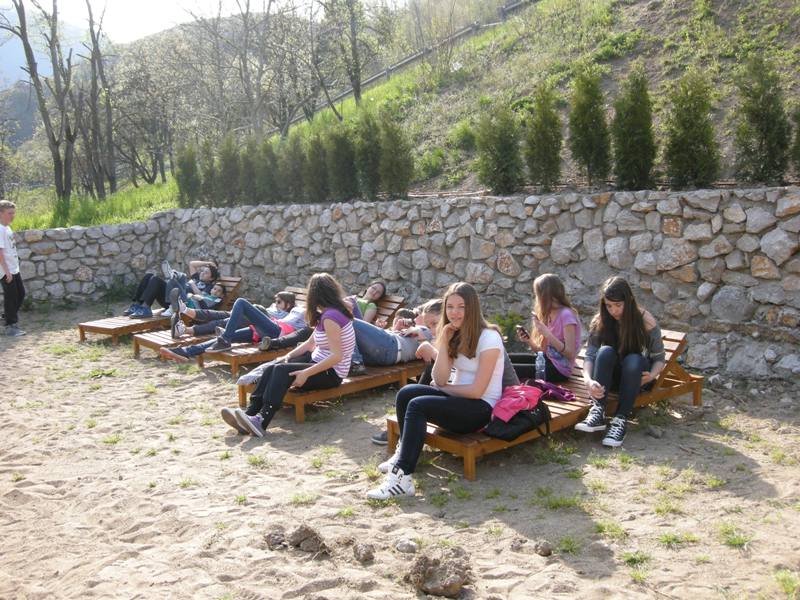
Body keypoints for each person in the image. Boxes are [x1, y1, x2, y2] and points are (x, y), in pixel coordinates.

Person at [366, 282, 505, 499]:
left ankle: (402, 478)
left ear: (472, 308)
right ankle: (403, 454)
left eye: (461, 307)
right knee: (407, 393)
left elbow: (477, 391)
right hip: (459, 399)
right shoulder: (454, 334)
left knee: (418, 405)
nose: (455, 312)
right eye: (450, 307)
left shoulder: (489, 337)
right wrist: (445, 341)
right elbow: (438, 378)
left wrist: (445, 388)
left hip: (481, 409)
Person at [220, 273, 356, 437]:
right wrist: (287, 357)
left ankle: (262, 420)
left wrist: (306, 373)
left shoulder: (331, 317)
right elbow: (310, 344)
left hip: (332, 373)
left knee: (280, 371)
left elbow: (337, 356)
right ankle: (250, 414)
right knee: (273, 367)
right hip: (318, 364)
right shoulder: (328, 314)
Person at [574, 276, 665, 448]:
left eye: (618, 305)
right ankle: (598, 411)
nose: (613, 311)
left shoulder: (646, 321)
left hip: (636, 377)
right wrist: (588, 380)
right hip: (612, 379)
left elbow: (659, 359)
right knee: (605, 352)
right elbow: (590, 355)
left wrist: (652, 375)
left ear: (629, 301)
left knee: (633, 359)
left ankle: (620, 420)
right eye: (609, 306)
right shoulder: (600, 320)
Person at [162, 293, 307, 359]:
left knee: (241, 302)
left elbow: (304, 331)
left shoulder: (308, 313)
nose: (276, 303)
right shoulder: (296, 309)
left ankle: (224, 339)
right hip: (261, 330)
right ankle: (185, 351)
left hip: (277, 333)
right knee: (221, 336)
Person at [509, 273, 581, 382]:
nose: (536, 298)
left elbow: (570, 353)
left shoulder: (566, 315)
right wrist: (529, 341)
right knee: (505, 359)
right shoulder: (548, 313)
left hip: (560, 370)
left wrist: (548, 334)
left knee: (508, 369)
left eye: (537, 294)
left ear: (545, 295)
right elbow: (542, 353)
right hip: (547, 362)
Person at [126, 260, 218, 318]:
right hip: (169, 297)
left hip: (180, 303)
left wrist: (192, 284)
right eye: (202, 271)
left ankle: (173, 276)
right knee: (150, 277)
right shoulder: (196, 278)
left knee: (180, 278)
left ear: (211, 278)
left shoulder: (209, 287)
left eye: (206, 273)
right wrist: (208, 263)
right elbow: (191, 264)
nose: (202, 273)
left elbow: (201, 297)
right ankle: (137, 305)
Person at [0, 200, 25, 337]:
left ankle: (6, 317)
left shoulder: (7, 228)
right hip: (6, 270)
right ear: (1, 213)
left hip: (13, 268)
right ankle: (11, 327)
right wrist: (6, 271)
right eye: (9, 213)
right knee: (11, 297)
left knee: (20, 294)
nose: (12, 216)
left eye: (13, 213)